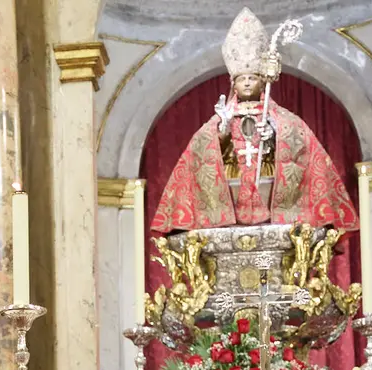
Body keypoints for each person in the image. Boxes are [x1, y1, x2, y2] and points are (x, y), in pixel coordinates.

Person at [150, 7, 357, 235]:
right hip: (233, 184)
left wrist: (275, 132)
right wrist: (222, 129)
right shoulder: (222, 115)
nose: (247, 83)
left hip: (268, 185)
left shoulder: (281, 117)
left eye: (252, 78)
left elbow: (300, 141)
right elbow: (200, 148)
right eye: (242, 79)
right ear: (233, 84)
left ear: (261, 82)